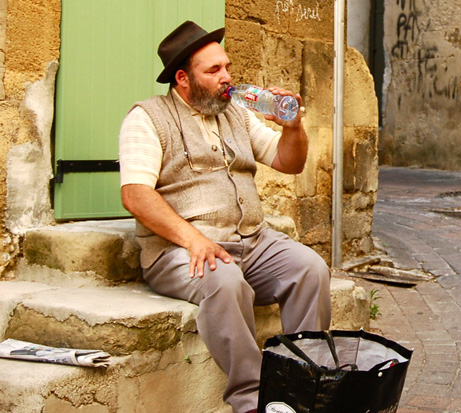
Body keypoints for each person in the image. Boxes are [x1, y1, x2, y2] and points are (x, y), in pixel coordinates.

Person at [118, 21, 331, 413]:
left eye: (226, 67)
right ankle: (253, 401)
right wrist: (193, 239)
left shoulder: (236, 113)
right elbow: (135, 195)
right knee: (225, 280)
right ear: (183, 78)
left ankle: (304, 388)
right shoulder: (147, 118)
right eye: (213, 71)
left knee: (310, 268)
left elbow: (290, 162)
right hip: (181, 250)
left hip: (253, 240)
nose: (227, 77)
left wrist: (293, 127)